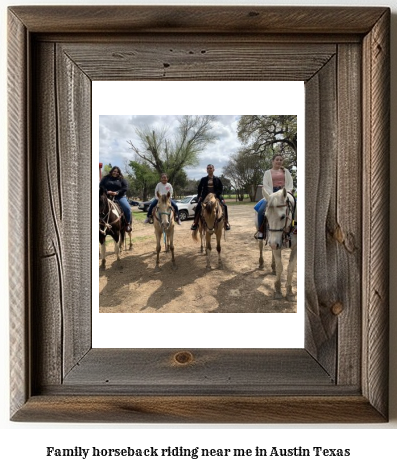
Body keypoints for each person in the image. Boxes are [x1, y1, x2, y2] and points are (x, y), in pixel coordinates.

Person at [254, 154, 294, 239]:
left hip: (284, 194)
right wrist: (272, 195)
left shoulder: (286, 171)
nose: (279, 161)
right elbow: (266, 185)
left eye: (280, 160)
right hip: (271, 194)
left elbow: (290, 184)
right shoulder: (267, 173)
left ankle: (295, 228)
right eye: (277, 160)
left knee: (298, 207)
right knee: (261, 210)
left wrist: (287, 192)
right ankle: (261, 231)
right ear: (272, 161)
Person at [190, 164, 230, 231]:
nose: (209, 169)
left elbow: (221, 188)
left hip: (216, 196)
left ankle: (226, 222)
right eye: (208, 168)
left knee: (224, 206)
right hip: (205, 196)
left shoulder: (217, 179)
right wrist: (199, 196)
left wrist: (216, 194)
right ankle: (195, 222)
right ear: (206, 170)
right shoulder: (203, 179)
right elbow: (199, 188)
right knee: (198, 206)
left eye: (210, 168)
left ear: (213, 169)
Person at [99, 166, 132, 232]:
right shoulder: (106, 178)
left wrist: (117, 192)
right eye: (114, 171)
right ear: (111, 171)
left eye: (117, 172)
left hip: (119, 197)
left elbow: (125, 187)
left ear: (119, 173)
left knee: (127, 208)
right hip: (107, 197)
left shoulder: (122, 179)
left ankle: (127, 224)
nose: (115, 173)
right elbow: (101, 185)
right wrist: (107, 191)